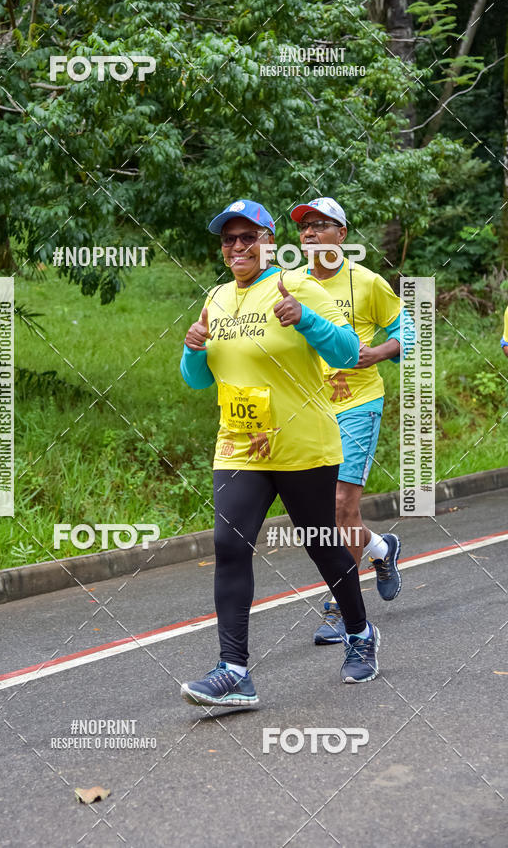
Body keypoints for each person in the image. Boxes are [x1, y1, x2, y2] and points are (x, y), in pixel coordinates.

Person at [179, 198, 382, 708]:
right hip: (239, 446)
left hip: (302, 444)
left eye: (250, 237)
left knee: (321, 544)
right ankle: (234, 671)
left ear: (270, 242)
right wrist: (192, 348)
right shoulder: (218, 297)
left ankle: (359, 633)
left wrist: (305, 319)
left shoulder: (297, 285)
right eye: (230, 239)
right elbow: (198, 380)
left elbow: (346, 354)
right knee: (229, 546)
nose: (239, 246)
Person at [289, 197, 415, 646]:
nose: (309, 233)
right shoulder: (290, 283)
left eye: (320, 226)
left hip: (359, 403)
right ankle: (382, 549)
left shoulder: (366, 282)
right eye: (304, 227)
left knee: (342, 503)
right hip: (312, 408)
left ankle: (343, 606)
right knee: (327, 511)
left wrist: (379, 352)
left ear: (341, 235)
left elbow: (411, 330)